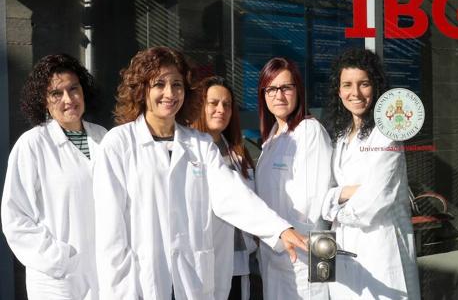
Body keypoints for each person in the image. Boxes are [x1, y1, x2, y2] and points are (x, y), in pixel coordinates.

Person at [93, 46, 308, 300]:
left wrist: (279, 229)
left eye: (177, 85)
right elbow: (111, 231)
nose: (169, 93)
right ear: (142, 89)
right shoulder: (119, 144)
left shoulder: (199, 144)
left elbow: (232, 195)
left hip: (191, 280)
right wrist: (119, 291)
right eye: (159, 84)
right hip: (141, 281)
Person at [1, 54, 107, 300]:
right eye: (56, 93)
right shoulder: (33, 144)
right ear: (44, 101)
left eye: (73, 89)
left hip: (104, 274)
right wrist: (60, 259)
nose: (68, 99)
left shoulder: (104, 137)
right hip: (58, 280)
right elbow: (15, 217)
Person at [321, 48, 420, 300]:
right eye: (347, 85)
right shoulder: (341, 136)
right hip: (343, 247)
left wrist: (333, 207)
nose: (355, 93)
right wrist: (343, 193)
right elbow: (327, 191)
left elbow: (374, 202)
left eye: (364, 84)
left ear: (375, 88)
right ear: (338, 90)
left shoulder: (387, 134)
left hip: (379, 245)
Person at [255, 57, 332, 300]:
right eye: (271, 88)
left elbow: (315, 202)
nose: (279, 95)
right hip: (275, 254)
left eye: (286, 87)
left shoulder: (309, 131)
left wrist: (320, 266)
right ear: (263, 94)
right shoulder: (272, 139)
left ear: (298, 91)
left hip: (304, 255)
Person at [192, 76, 258, 300]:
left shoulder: (240, 152)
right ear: (200, 106)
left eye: (227, 104)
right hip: (200, 263)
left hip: (238, 262)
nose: (221, 109)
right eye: (214, 103)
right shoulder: (187, 150)